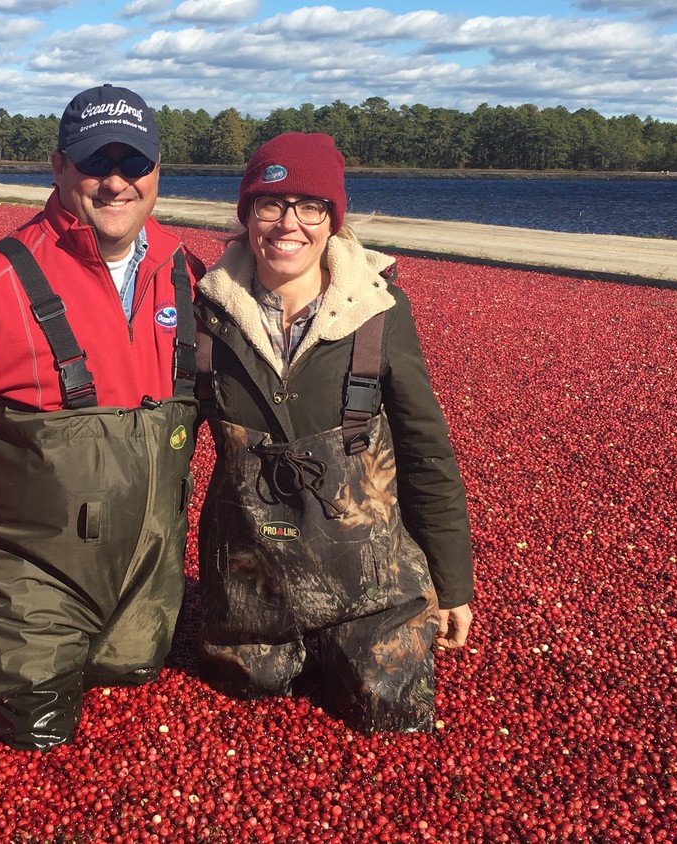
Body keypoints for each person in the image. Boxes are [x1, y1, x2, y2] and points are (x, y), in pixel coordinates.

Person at [0, 84, 205, 751]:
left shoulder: (189, 278)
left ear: (158, 170)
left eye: (134, 161)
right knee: (34, 737)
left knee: (135, 679)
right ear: (58, 167)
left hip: (145, 572)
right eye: (95, 161)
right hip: (25, 578)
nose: (116, 182)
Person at [192, 132, 474, 733]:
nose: (288, 223)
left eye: (310, 206)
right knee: (247, 693)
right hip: (253, 580)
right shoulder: (206, 316)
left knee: (388, 711)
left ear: (333, 220)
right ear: (246, 213)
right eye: (270, 203)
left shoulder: (379, 312)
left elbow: (427, 453)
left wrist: (453, 585)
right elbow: (162, 458)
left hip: (370, 581)